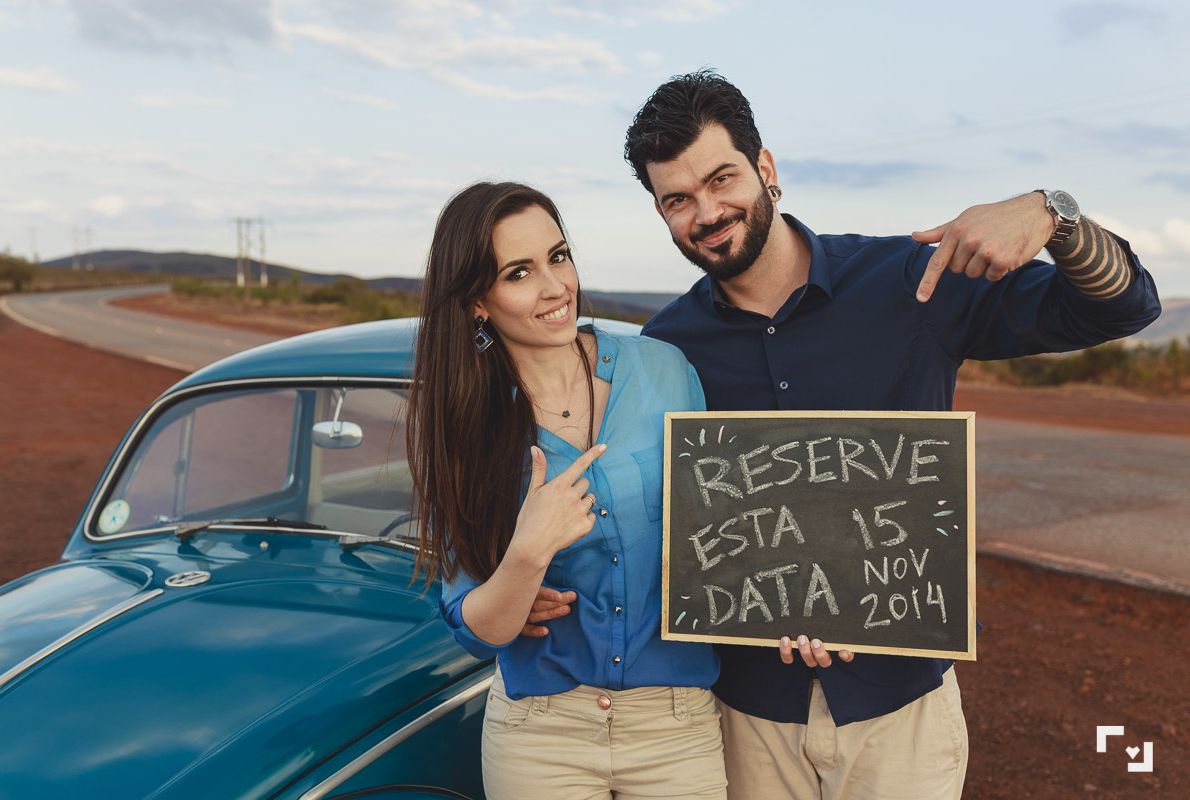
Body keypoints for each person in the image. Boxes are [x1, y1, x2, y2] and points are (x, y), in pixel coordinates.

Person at [528, 70, 1161, 799]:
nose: (706, 211)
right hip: (745, 718)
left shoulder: (911, 283)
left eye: (722, 179)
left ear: (766, 169)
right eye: (677, 199)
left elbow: (1122, 307)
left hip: (902, 712)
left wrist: (1055, 215)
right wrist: (526, 584)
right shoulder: (665, 349)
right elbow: (633, 504)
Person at [407, 180, 729, 800]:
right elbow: (476, 627)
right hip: (540, 734)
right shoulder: (467, 425)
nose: (556, 287)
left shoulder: (664, 370)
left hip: (676, 724)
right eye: (519, 273)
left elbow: (729, 532)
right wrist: (525, 558)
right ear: (478, 301)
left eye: (558, 257)